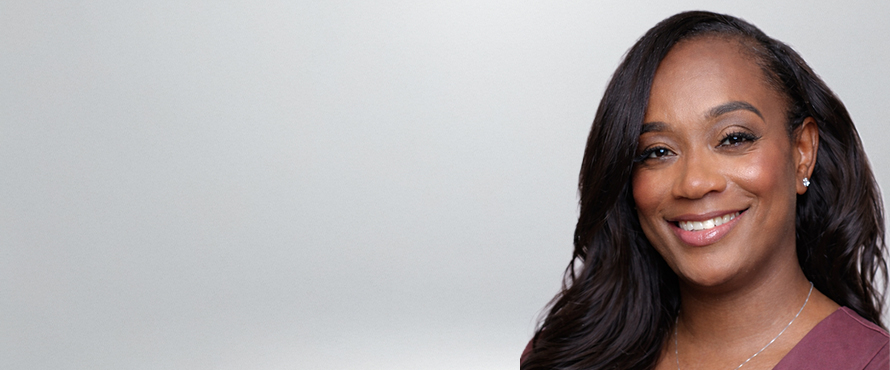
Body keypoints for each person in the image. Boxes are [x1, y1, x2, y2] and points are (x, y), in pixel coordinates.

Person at [520, 11, 888, 370]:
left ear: (802, 152)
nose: (694, 183)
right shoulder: (569, 355)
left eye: (733, 139)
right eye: (658, 151)